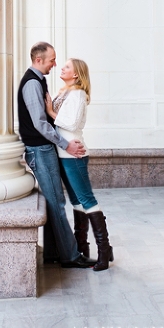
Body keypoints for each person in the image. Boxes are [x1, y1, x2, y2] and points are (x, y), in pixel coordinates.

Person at [17, 42, 95, 268]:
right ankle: (70, 257)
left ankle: (53, 253)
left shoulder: (39, 80)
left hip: (44, 149)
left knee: (53, 202)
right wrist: (67, 145)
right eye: (52, 60)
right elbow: (40, 124)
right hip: (40, 150)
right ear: (38, 60)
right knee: (58, 202)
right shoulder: (32, 83)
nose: (55, 64)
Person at [46, 57, 114, 271]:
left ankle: (103, 251)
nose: (62, 68)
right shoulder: (64, 92)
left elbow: (72, 123)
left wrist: (50, 112)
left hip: (74, 154)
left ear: (76, 74)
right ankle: (83, 248)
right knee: (76, 201)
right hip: (64, 152)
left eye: (67, 67)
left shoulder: (77, 94)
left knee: (86, 200)